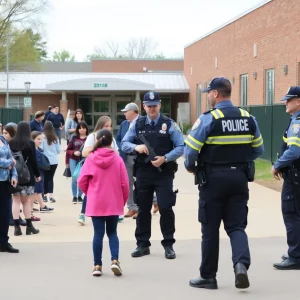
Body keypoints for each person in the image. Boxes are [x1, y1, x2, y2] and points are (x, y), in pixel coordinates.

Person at [184, 77, 264, 290]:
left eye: (209, 93)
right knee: (237, 226)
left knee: (210, 229)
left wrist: (191, 166)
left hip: (212, 180)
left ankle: (208, 277)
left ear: (216, 94)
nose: (208, 96)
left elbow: (190, 151)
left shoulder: (209, 119)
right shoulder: (248, 118)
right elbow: (258, 150)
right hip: (239, 179)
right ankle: (240, 265)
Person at [121, 91, 184, 259]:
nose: (152, 108)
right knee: (143, 209)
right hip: (143, 173)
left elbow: (181, 146)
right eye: (149, 106)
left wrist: (165, 158)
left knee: (165, 207)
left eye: (155, 105)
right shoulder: (137, 124)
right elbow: (124, 143)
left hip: (164, 173)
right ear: (143, 106)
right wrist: (137, 148)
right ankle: (142, 244)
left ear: (160, 105)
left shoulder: (169, 124)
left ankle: (168, 244)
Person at [78, 129, 129, 277]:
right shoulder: (118, 159)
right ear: (111, 142)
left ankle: (97, 265)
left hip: (96, 201)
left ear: (97, 141)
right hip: (113, 200)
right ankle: (114, 260)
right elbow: (125, 183)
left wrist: (90, 192)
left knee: (98, 233)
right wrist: (122, 200)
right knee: (112, 232)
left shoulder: (91, 158)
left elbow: (81, 181)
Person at [272, 86, 300, 270]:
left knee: (291, 215)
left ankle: (295, 256)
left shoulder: (297, 123)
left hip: (295, 177)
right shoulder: (294, 120)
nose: (285, 102)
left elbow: (295, 151)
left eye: (289, 100)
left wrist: (277, 165)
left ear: (298, 101)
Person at [116, 102, 158, 219]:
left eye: (126, 111)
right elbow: (119, 139)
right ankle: (132, 207)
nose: (124, 113)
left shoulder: (144, 122)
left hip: (140, 158)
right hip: (127, 157)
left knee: (141, 183)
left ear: (134, 111)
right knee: (127, 182)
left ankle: (145, 206)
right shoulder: (124, 124)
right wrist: (122, 148)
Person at [79, 116, 119, 225]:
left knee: (108, 191)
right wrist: (99, 151)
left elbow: (117, 153)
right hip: (95, 169)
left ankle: (112, 212)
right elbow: (85, 152)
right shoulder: (93, 136)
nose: (109, 128)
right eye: (106, 126)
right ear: (100, 126)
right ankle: (83, 213)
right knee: (91, 191)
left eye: (110, 126)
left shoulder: (111, 138)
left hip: (109, 170)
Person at [9, 121, 41, 236]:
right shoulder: (30, 143)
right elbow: (33, 161)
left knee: (16, 201)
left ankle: (16, 227)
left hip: (15, 176)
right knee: (26, 201)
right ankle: (29, 226)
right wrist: (37, 175)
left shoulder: (11, 142)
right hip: (28, 175)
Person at [0, 133, 19, 253]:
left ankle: (3, 242)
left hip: (5, 181)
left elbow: (11, 157)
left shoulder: (2, 139)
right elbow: (10, 162)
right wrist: (11, 163)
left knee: (5, 213)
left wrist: (14, 175)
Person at [65, 121, 88, 204]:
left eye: (83, 128)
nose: (81, 130)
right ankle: (74, 196)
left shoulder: (89, 138)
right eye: (80, 128)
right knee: (75, 178)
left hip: (84, 160)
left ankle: (80, 195)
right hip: (73, 159)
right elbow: (68, 150)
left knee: (82, 178)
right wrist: (73, 152)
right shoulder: (74, 137)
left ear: (86, 129)